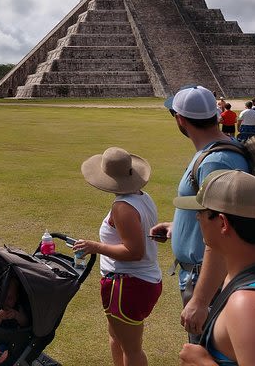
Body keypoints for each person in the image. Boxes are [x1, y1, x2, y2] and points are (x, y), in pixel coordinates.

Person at [150, 85, 249, 342]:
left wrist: (201, 301)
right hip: (199, 274)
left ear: (180, 120)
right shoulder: (213, 153)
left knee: (205, 353)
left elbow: (224, 234)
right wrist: (177, 227)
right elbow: (214, 214)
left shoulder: (217, 161)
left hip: (208, 281)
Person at [177, 170, 255, 365]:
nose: (197, 218)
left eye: (202, 211)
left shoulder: (248, 305)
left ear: (222, 223)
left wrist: (202, 362)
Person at [74, 147, 162, 366]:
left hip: (128, 285)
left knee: (132, 350)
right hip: (136, 281)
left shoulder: (122, 207)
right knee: (116, 338)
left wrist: (95, 246)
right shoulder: (142, 197)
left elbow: (134, 252)